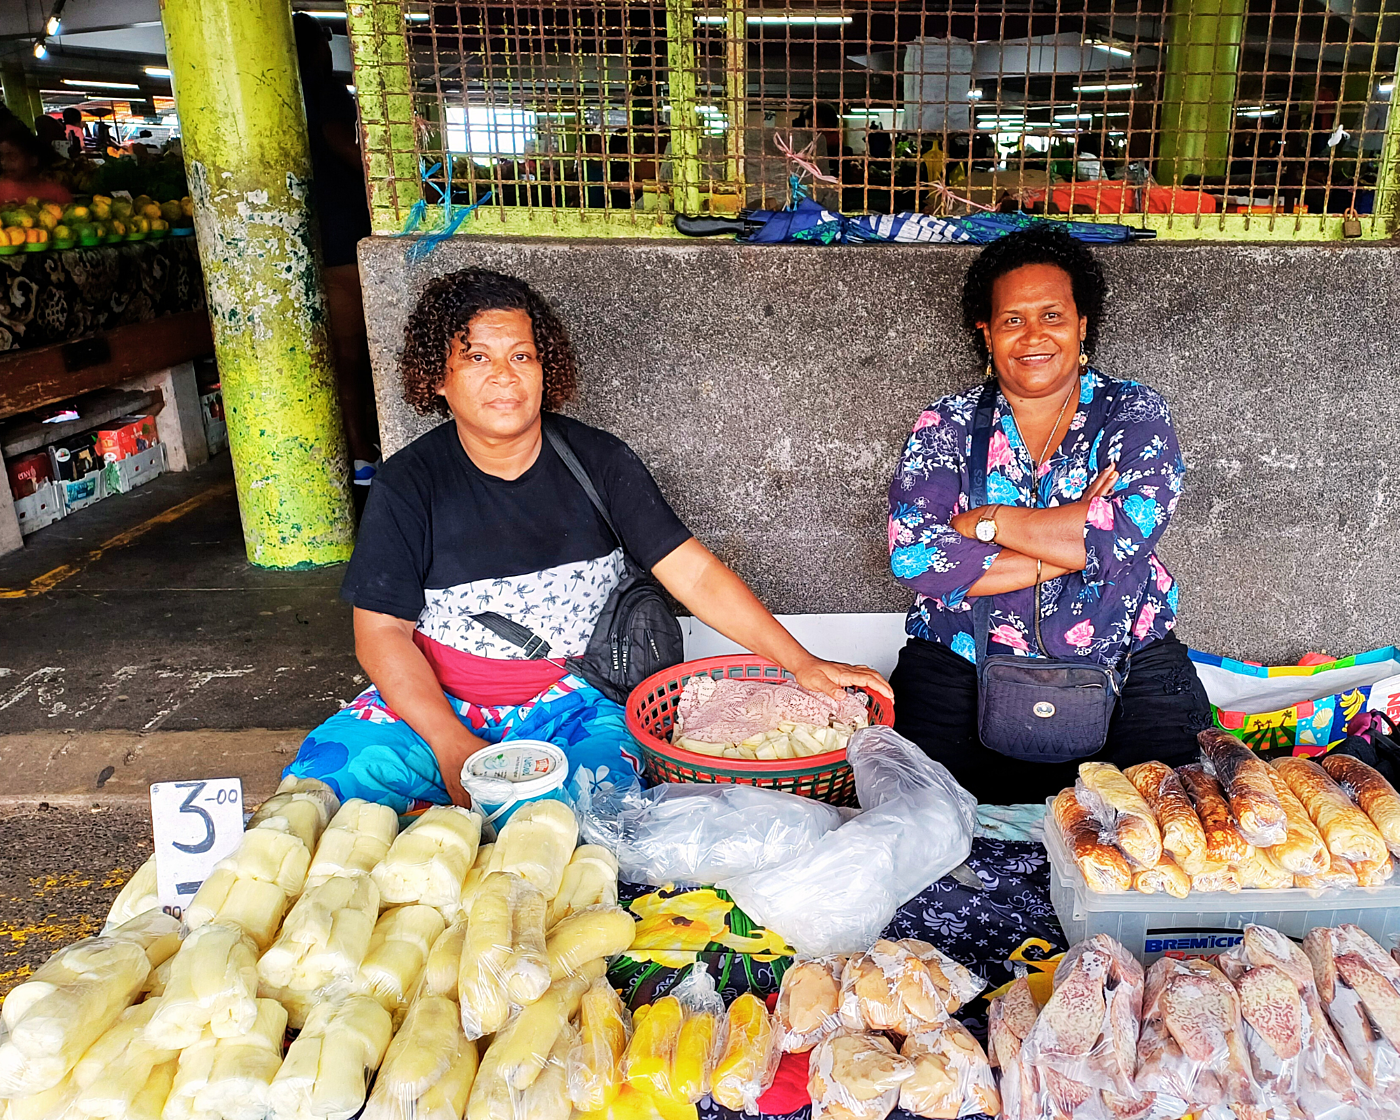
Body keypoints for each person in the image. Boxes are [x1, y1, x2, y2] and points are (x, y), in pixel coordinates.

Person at [284, 268, 892, 811]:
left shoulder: (597, 461)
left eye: (522, 357)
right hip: (430, 710)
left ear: (546, 369)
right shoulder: (408, 482)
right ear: (436, 379)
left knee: (590, 815)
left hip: (572, 704)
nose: (504, 377)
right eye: (476, 358)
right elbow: (380, 634)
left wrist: (802, 663)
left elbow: (696, 575)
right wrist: (450, 746)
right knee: (313, 793)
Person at [886, 225, 1211, 803]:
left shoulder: (1132, 411)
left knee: (1169, 833)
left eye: (1052, 315)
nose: (1032, 335)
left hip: (1129, 666)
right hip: (958, 665)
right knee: (923, 827)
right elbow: (915, 555)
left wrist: (986, 521)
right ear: (985, 333)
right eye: (1012, 319)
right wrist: (1079, 534)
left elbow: (1126, 537)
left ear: (1082, 324)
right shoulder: (948, 423)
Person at [293, 12, 380, 485]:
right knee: (361, 354)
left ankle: (361, 452)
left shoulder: (285, 97)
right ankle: (366, 449)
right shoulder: (326, 92)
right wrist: (400, 184)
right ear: (317, 49)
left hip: (320, 236)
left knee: (346, 357)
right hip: (347, 238)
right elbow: (343, 144)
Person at [0, 124, 72, 205]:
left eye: (12, 156)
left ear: (33, 160)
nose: (4, 162)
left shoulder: (57, 194)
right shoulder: (1, 190)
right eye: (2, 157)